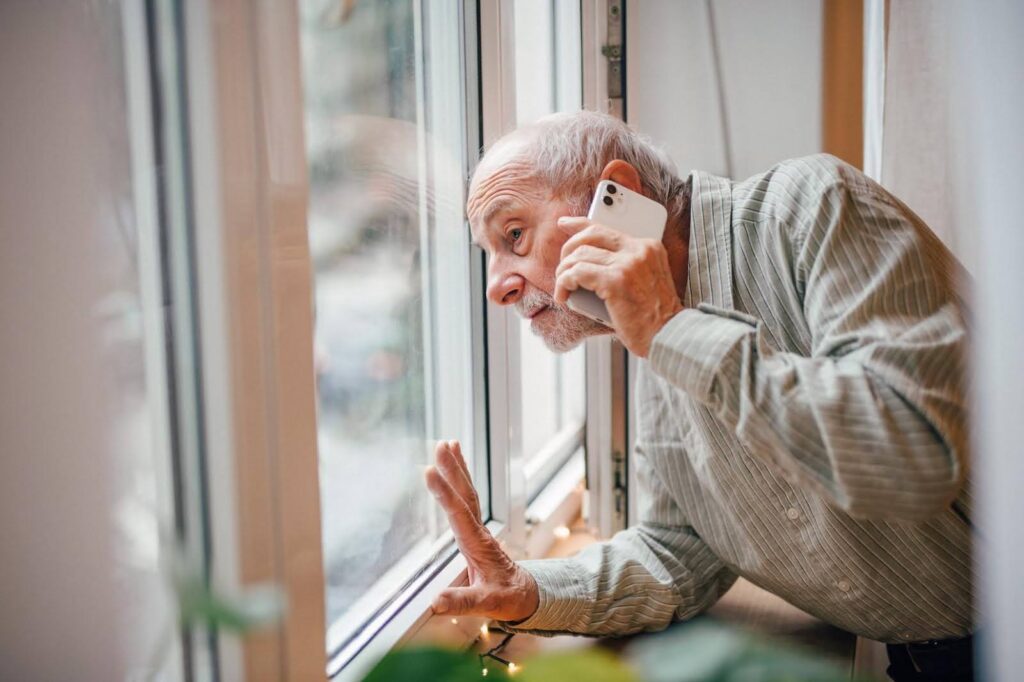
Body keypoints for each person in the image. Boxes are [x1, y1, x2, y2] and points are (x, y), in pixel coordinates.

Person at [423, 111, 974, 681]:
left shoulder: (810, 206)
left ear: (617, 196)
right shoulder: (655, 349)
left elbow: (914, 455)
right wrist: (527, 589)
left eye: (514, 235)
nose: (498, 286)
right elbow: (678, 552)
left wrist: (671, 330)